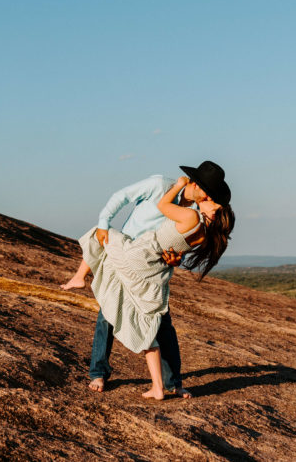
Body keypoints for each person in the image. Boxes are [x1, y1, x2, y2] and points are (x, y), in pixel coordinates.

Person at [61, 161, 233, 397]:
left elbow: (177, 244)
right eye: (208, 193)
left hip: (153, 268)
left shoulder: (195, 210)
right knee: (107, 317)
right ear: (195, 184)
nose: (208, 199)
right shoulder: (159, 185)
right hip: (129, 256)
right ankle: (99, 373)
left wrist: (175, 259)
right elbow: (120, 196)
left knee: (162, 325)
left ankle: (172, 383)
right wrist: (103, 224)